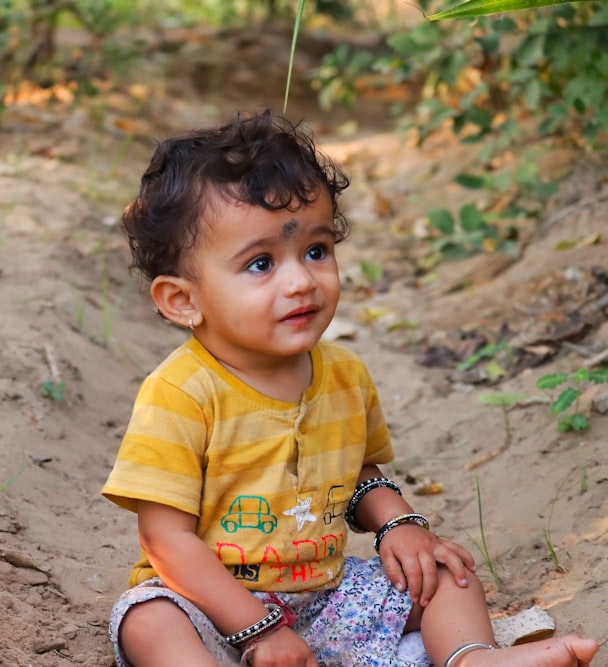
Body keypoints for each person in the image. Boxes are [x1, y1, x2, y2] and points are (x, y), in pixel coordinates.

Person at [100, 109, 599, 667]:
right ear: (183, 300)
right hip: (211, 605)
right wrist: (258, 630)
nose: (302, 281)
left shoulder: (343, 375)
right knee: (149, 621)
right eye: (261, 263)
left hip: (324, 599)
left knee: (442, 573)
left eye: (316, 251)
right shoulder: (182, 392)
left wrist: (399, 523)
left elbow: (359, 474)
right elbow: (165, 541)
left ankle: (472, 658)